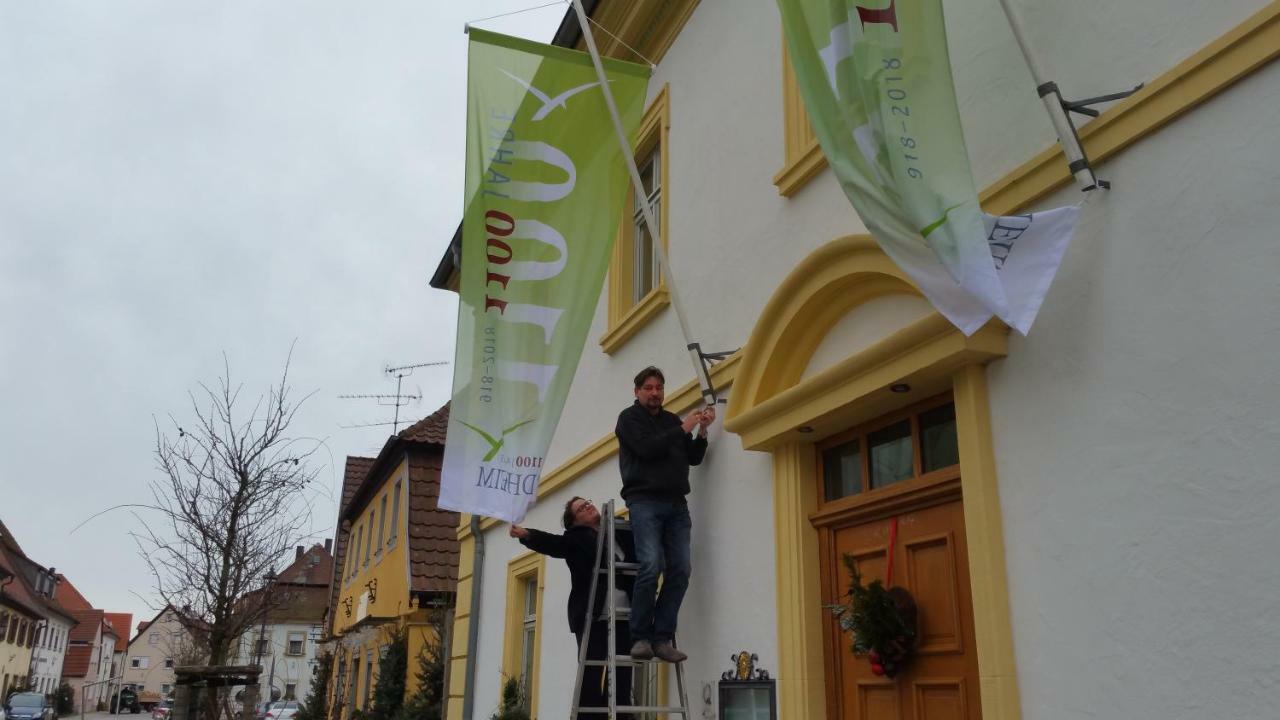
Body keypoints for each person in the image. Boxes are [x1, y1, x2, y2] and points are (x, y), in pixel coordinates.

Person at [614, 366, 714, 663]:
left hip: (676, 503)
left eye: (659, 387)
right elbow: (646, 450)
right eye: (649, 387)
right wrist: (683, 428)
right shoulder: (629, 419)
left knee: (681, 568)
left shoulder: (671, 420)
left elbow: (693, 458)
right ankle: (641, 637)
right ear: (637, 392)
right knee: (651, 564)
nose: (655, 392)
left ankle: (662, 638)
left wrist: (702, 430)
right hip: (644, 500)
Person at [509, 497, 635, 718]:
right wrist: (528, 535)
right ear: (574, 522)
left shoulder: (619, 529)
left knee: (623, 672)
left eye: (587, 502)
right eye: (580, 508)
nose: (587, 506)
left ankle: (621, 716)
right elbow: (554, 544)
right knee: (592, 673)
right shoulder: (576, 539)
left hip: (625, 614)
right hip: (594, 615)